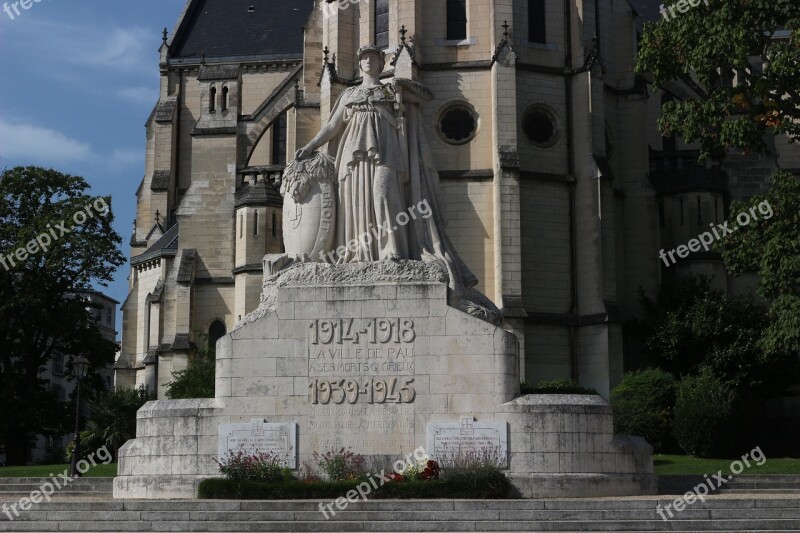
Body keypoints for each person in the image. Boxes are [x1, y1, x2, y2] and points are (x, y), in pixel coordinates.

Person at [296, 44, 490, 318]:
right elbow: (331, 127)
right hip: (353, 154)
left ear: (380, 62)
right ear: (359, 64)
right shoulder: (349, 94)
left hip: (386, 151)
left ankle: (392, 250)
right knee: (356, 203)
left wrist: (402, 84)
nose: (366, 62)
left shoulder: (389, 90)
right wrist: (311, 147)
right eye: (363, 58)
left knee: (383, 194)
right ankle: (360, 254)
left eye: (372, 58)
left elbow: (426, 96)